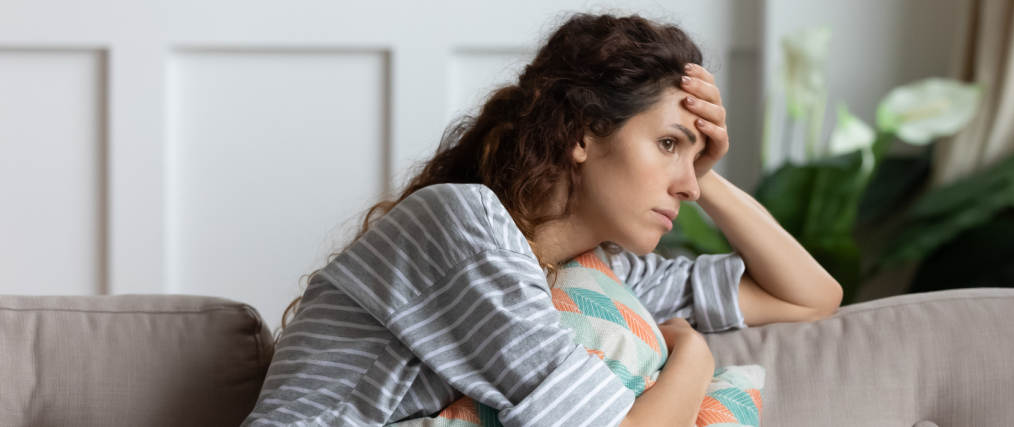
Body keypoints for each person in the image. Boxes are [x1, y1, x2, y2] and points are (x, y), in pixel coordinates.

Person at [243, 12, 842, 427]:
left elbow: (811, 297)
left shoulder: (595, 272)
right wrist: (693, 354)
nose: (685, 186)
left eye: (693, 159)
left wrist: (704, 174)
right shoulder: (464, 227)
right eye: (667, 144)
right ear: (582, 134)